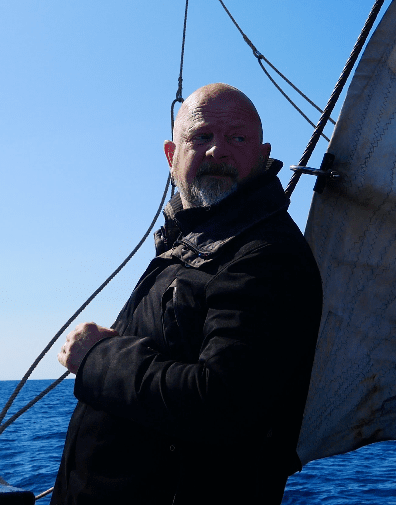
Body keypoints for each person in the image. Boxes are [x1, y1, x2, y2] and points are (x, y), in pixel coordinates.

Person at [51, 83, 323, 505]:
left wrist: (97, 358)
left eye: (237, 138)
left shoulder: (265, 257)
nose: (218, 150)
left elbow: (221, 403)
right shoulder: (197, 243)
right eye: (201, 136)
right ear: (171, 155)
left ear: (263, 155)